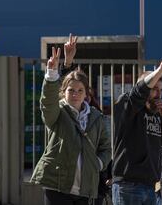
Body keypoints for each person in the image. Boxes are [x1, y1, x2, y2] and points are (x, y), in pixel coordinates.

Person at [30, 46, 112, 204]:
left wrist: (98, 163)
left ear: (86, 93)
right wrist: (52, 74)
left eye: (80, 90)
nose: (75, 94)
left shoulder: (96, 117)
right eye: (71, 90)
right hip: (57, 186)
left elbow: (106, 148)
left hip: (85, 188)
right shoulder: (58, 112)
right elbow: (47, 103)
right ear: (63, 91)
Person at [112, 47, 162, 205]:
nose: (158, 94)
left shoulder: (157, 114)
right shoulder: (127, 103)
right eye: (154, 89)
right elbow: (138, 93)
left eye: (160, 90)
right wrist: (161, 70)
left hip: (152, 187)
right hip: (129, 185)